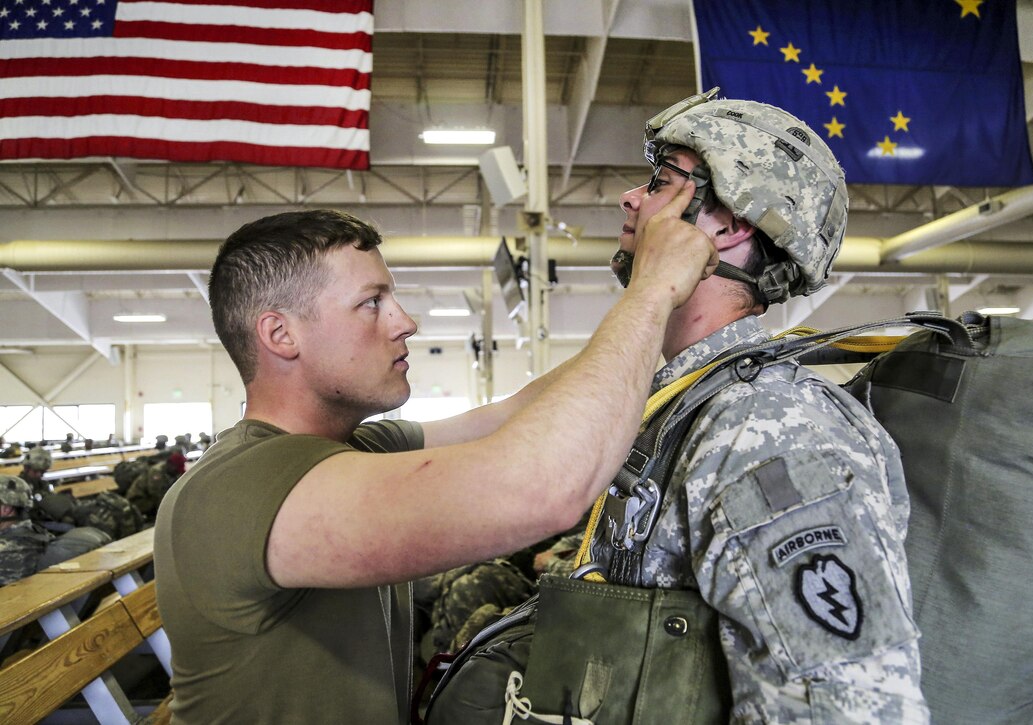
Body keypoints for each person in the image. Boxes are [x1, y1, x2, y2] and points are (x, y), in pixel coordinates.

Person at [154, 205, 718, 723]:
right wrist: (651, 292)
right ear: (281, 334)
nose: (405, 322)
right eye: (371, 302)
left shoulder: (357, 451)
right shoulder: (243, 487)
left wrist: (665, 326)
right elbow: (542, 487)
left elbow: (518, 413)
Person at [570, 91, 928, 721]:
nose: (632, 198)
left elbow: (845, 705)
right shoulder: (687, 404)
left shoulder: (765, 427)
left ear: (730, 223)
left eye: (661, 182)